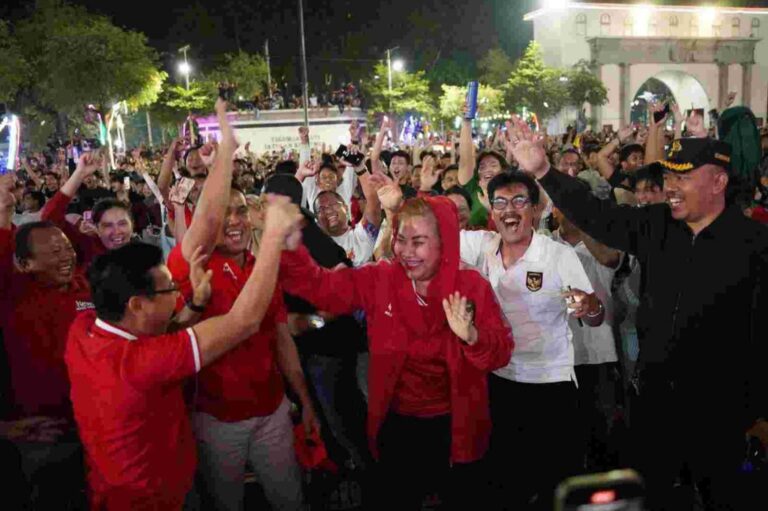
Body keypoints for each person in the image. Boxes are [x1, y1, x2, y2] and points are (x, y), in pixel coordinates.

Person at [510, 119, 768, 511]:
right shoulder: (658, 225)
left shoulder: (754, 245)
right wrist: (544, 172)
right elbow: (596, 215)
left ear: (718, 182)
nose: (670, 187)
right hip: (655, 407)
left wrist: (757, 412)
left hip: (723, 414)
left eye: (683, 178)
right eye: (668, 176)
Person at [279, 189, 513, 510]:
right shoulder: (382, 277)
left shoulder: (471, 286)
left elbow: (500, 352)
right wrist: (291, 247)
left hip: (457, 427)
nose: (406, 252)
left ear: (444, 240)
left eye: (418, 242)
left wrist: (471, 336)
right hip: (397, 424)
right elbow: (324, 290)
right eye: (401, 240)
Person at [66, 193, 301, 510]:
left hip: (154, 480)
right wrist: (273, 237)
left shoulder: (83, 330)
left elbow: (174, 328)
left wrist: (195, 305)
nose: (177, 293)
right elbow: (244, 321)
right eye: (170, 289)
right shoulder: (142, 362)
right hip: (154, 498)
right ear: (137, 304)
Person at [167, 100, 316, 511]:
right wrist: (225, 156)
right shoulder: (190, 263)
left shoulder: (261, 266)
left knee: (291, 501)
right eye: (224, 213)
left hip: (271, 413)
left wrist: (302, 398)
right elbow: (206, 221)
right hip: (215, 421)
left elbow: (279, 335)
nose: (232, 220)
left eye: (240, 211)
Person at [459, 171, 604, 510]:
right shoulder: (482, 246)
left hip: (550, 388)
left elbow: (596, 317)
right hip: (499, 382)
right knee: (504, 485)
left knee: (555, 487)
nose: (509, 211)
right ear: (491, 211)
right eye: (500, 203)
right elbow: (433, 236)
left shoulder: (557, 256)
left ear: (536, 210)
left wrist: (588, 305)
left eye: (519, 201)